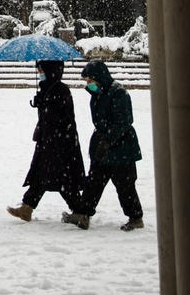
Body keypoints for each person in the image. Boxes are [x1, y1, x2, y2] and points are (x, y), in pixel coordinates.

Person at [62, 60, 144, 231]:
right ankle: (82, 214)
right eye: (86, 81)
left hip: (121, 147)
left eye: (90, 81)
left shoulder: (118, 93)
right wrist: (101, 142)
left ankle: (135, 217)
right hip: (103, 146)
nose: (88, 84)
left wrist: (108, 140)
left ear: (99, 77)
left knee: (125, 185)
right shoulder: (98, 94)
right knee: (94, 182)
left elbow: (123, 122)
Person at [7, 59, 84, 221]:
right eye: (39, 69)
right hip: (48, 141)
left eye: (42, 69)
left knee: (62, 178)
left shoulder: (61, 89)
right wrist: (40, 104)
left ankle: (80, 211)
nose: (40, 73)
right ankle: (27, 208)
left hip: (61, 143)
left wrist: (46, 105)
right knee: (41, 175)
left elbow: (64, 117)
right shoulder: (46, 88)